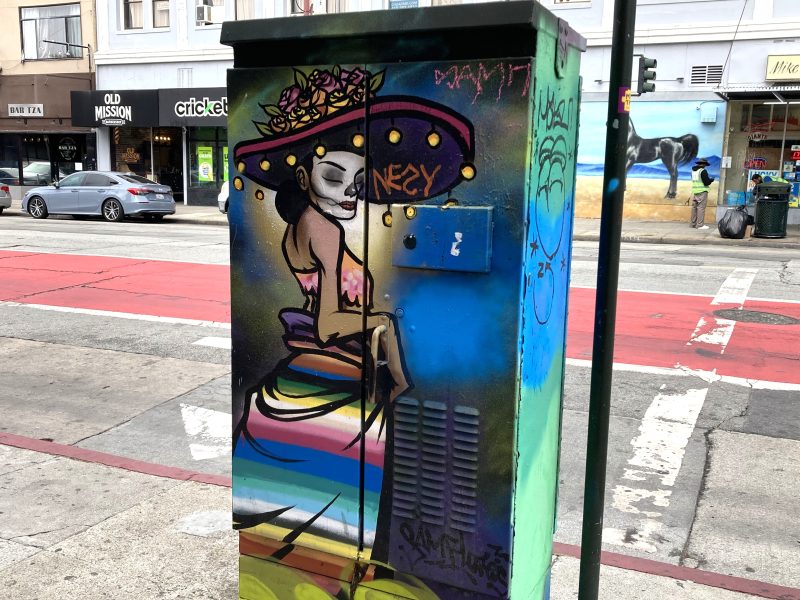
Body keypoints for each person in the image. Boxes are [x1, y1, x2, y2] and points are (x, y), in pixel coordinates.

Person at [229, 65, 475, 567]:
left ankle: (307, 572)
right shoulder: (327, 231)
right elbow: (327, 325)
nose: (348, 192)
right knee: (339, 502)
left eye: (357, 182)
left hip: (319, 366)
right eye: (333, 176)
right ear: (304, 177)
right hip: (338, 368)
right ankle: (337, 573)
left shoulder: (300, 225)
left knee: (309, 505)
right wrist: (381, 322)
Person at [690, 157, 714, 229]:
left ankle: (693, 224)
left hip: (695, 191)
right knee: (701, 208)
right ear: (704, 164)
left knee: (694, 208)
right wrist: (711, 180)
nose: (705, 166)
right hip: (702, 192)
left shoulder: (693, 171)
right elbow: (706, 182)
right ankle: (700, 225)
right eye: (705, 165)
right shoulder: (703, 171)